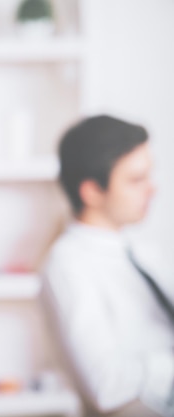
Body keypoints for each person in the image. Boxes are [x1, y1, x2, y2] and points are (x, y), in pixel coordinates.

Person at [41, 114, 174, 417]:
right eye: (136, 180)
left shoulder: (140, 251)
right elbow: (106, 386)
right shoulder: (67, 264)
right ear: (91, 191)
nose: (152, 189)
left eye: (149, 176)